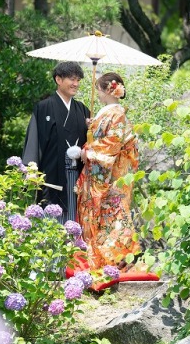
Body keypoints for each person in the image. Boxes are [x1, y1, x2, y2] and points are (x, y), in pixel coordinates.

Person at [76, 72, 140, 270]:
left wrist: (89, 151)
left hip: (110, 174)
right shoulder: (111, 112)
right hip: (107, 171)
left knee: (111, 213)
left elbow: (112, 142)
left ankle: (113, 258)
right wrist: (92, 125)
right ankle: (107, 258)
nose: (99, 95)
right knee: (106, 214)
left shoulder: (115, 113)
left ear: (106, 90)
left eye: (99, 90)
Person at [22, 61, 90, 217]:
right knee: (51, 218)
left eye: (78, 80)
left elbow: (90, 144)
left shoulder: (83, 110)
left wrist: (92, 130)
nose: (76, 84)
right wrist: (31, 169)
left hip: (77, 174)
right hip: (51, 175)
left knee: (75, 216)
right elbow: (34, 140)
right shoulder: (43, 107)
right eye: (72, 79)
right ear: (58, 80)